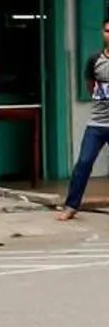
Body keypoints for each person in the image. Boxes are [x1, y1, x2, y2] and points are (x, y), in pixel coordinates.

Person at [55, 21, 109, 220]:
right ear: (102, 33)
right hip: (97, 124)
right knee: (84, 163)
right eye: (107, 31)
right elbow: (90, 86)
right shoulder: (94, 60)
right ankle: (71, 206)